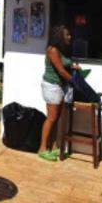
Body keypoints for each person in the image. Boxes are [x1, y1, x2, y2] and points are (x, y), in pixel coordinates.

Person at [39, 25, 78, 161]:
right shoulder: (53, 50)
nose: (69, 37)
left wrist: (73, 66)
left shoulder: (62, 50)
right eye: (67, 35)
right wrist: (76, 82)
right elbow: (61, 70)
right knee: (51, 118)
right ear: (60, 37)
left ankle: (54, 146)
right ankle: (43, 149)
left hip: (59, 86)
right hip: (52, 86)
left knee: (56, 118)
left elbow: (67, 63)